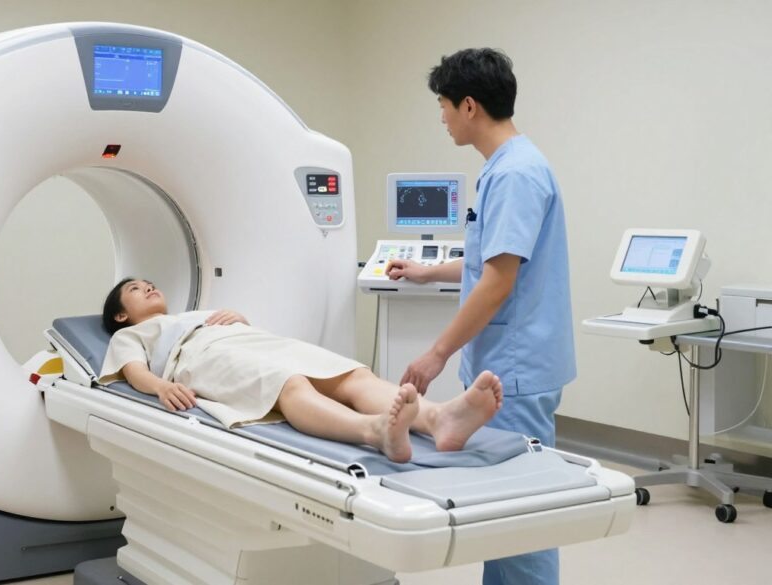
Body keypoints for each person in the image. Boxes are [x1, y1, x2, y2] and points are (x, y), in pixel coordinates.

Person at [386, 49, 575, 585]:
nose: (442, 117)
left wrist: (435, 354)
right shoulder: (510, 166)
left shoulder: (515, 174)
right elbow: (486, 262)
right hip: (511, 362)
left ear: (469, 106)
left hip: (514, 368)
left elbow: (499, 282)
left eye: (444, 106)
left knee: (522, 507)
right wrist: (428, 273)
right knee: (505, 503)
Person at [97, 277, 503, 463]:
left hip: (253, 341)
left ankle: (438, 419)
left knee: (348, 374)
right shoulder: (136, 335)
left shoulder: (194, 312)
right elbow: (133, 372)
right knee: (289, 385)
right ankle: (375, 431)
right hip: (202, 361)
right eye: (136, 289)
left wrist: (238, 318)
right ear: (120, 314)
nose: (149, 287)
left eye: (150, 283)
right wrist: (160, 388)